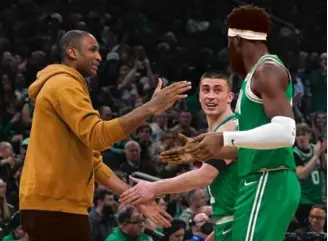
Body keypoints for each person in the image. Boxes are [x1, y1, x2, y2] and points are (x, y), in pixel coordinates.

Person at [19, 30, 191, 241]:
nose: (99, 57)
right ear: (72, 52)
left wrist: (136, 197)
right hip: (55, 208)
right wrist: (149, 109)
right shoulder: (64, 85)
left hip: (54, 206)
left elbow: (94, 163)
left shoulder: (64, 85)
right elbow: (98, 136)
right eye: (92, 50)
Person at [161, 5, 301, 241]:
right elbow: (250, 146)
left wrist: (224, 137)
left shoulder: (266, 70)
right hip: (256, 179)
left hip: (269, 177)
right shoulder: (253, 77)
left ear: (236, 41)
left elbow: (287, 132)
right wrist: (205, 151)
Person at [121, 72, 238, 241]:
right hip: (228, 221)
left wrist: (152, 188)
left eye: (217, 90)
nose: (210, 96)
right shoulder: (218, 128)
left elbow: (204, 176)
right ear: (199, 96)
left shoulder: (228, 127)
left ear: (229, 97)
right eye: (206, 90)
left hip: (237, 221)